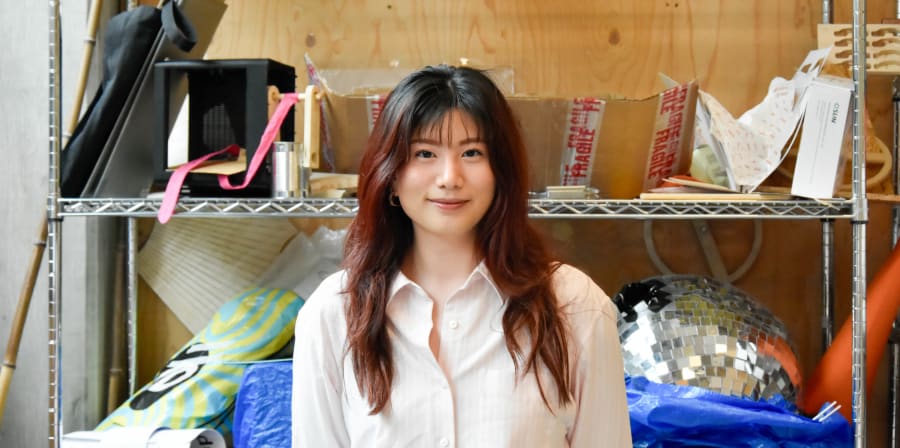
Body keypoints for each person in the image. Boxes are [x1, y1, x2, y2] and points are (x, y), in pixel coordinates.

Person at [292, 64, 631, 447]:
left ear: (500, 173)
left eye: (472, 152)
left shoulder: (575, 305)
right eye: (424, 153)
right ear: (391, 177)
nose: (450, 177)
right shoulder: (333, 313)